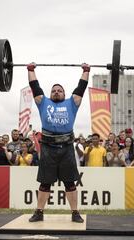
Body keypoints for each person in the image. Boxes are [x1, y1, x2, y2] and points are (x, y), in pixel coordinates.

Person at [26, 62, 89, 223]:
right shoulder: (43, 102)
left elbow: (81, 87)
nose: (56, 92)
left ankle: (75, 213)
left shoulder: (72, 103)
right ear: (50, 93)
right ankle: (39, 212)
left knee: (70, 182)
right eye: (53, 90)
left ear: (64, 93)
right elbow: (35, 86)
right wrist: (31, 70)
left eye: (59, 90)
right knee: (45, 183)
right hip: (48, 148)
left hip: (67, 148)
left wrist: (86, 71)